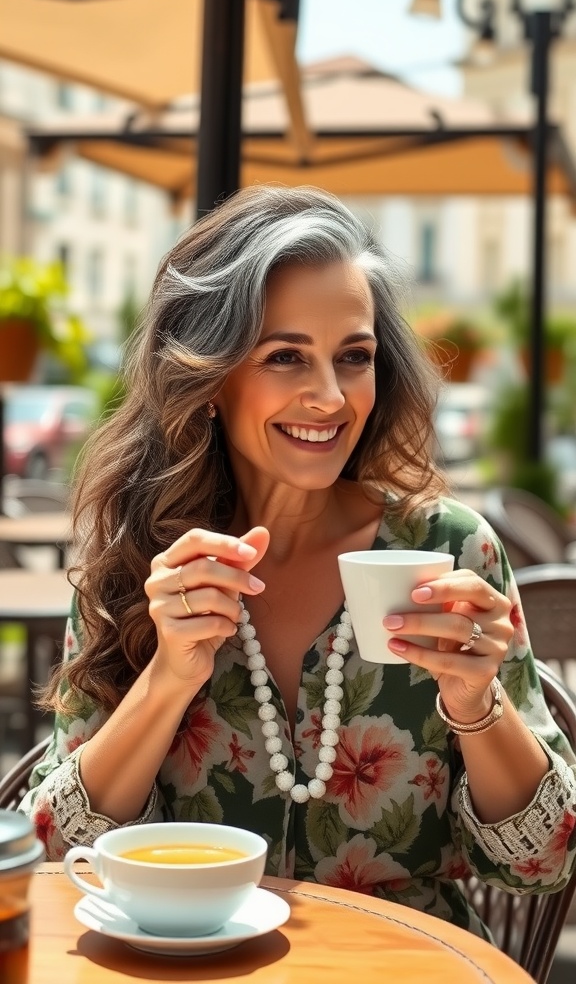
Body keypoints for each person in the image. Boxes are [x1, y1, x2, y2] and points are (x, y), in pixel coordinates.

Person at [19, 184, 576, 939]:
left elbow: (543, 862)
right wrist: (168, 680)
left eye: (355, 357)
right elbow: (53, 858)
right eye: (286, 357)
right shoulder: (143, 559)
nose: (329, 396)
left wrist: (478, 708)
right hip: (187, 966)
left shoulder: (449, 550)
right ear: (211, 380)